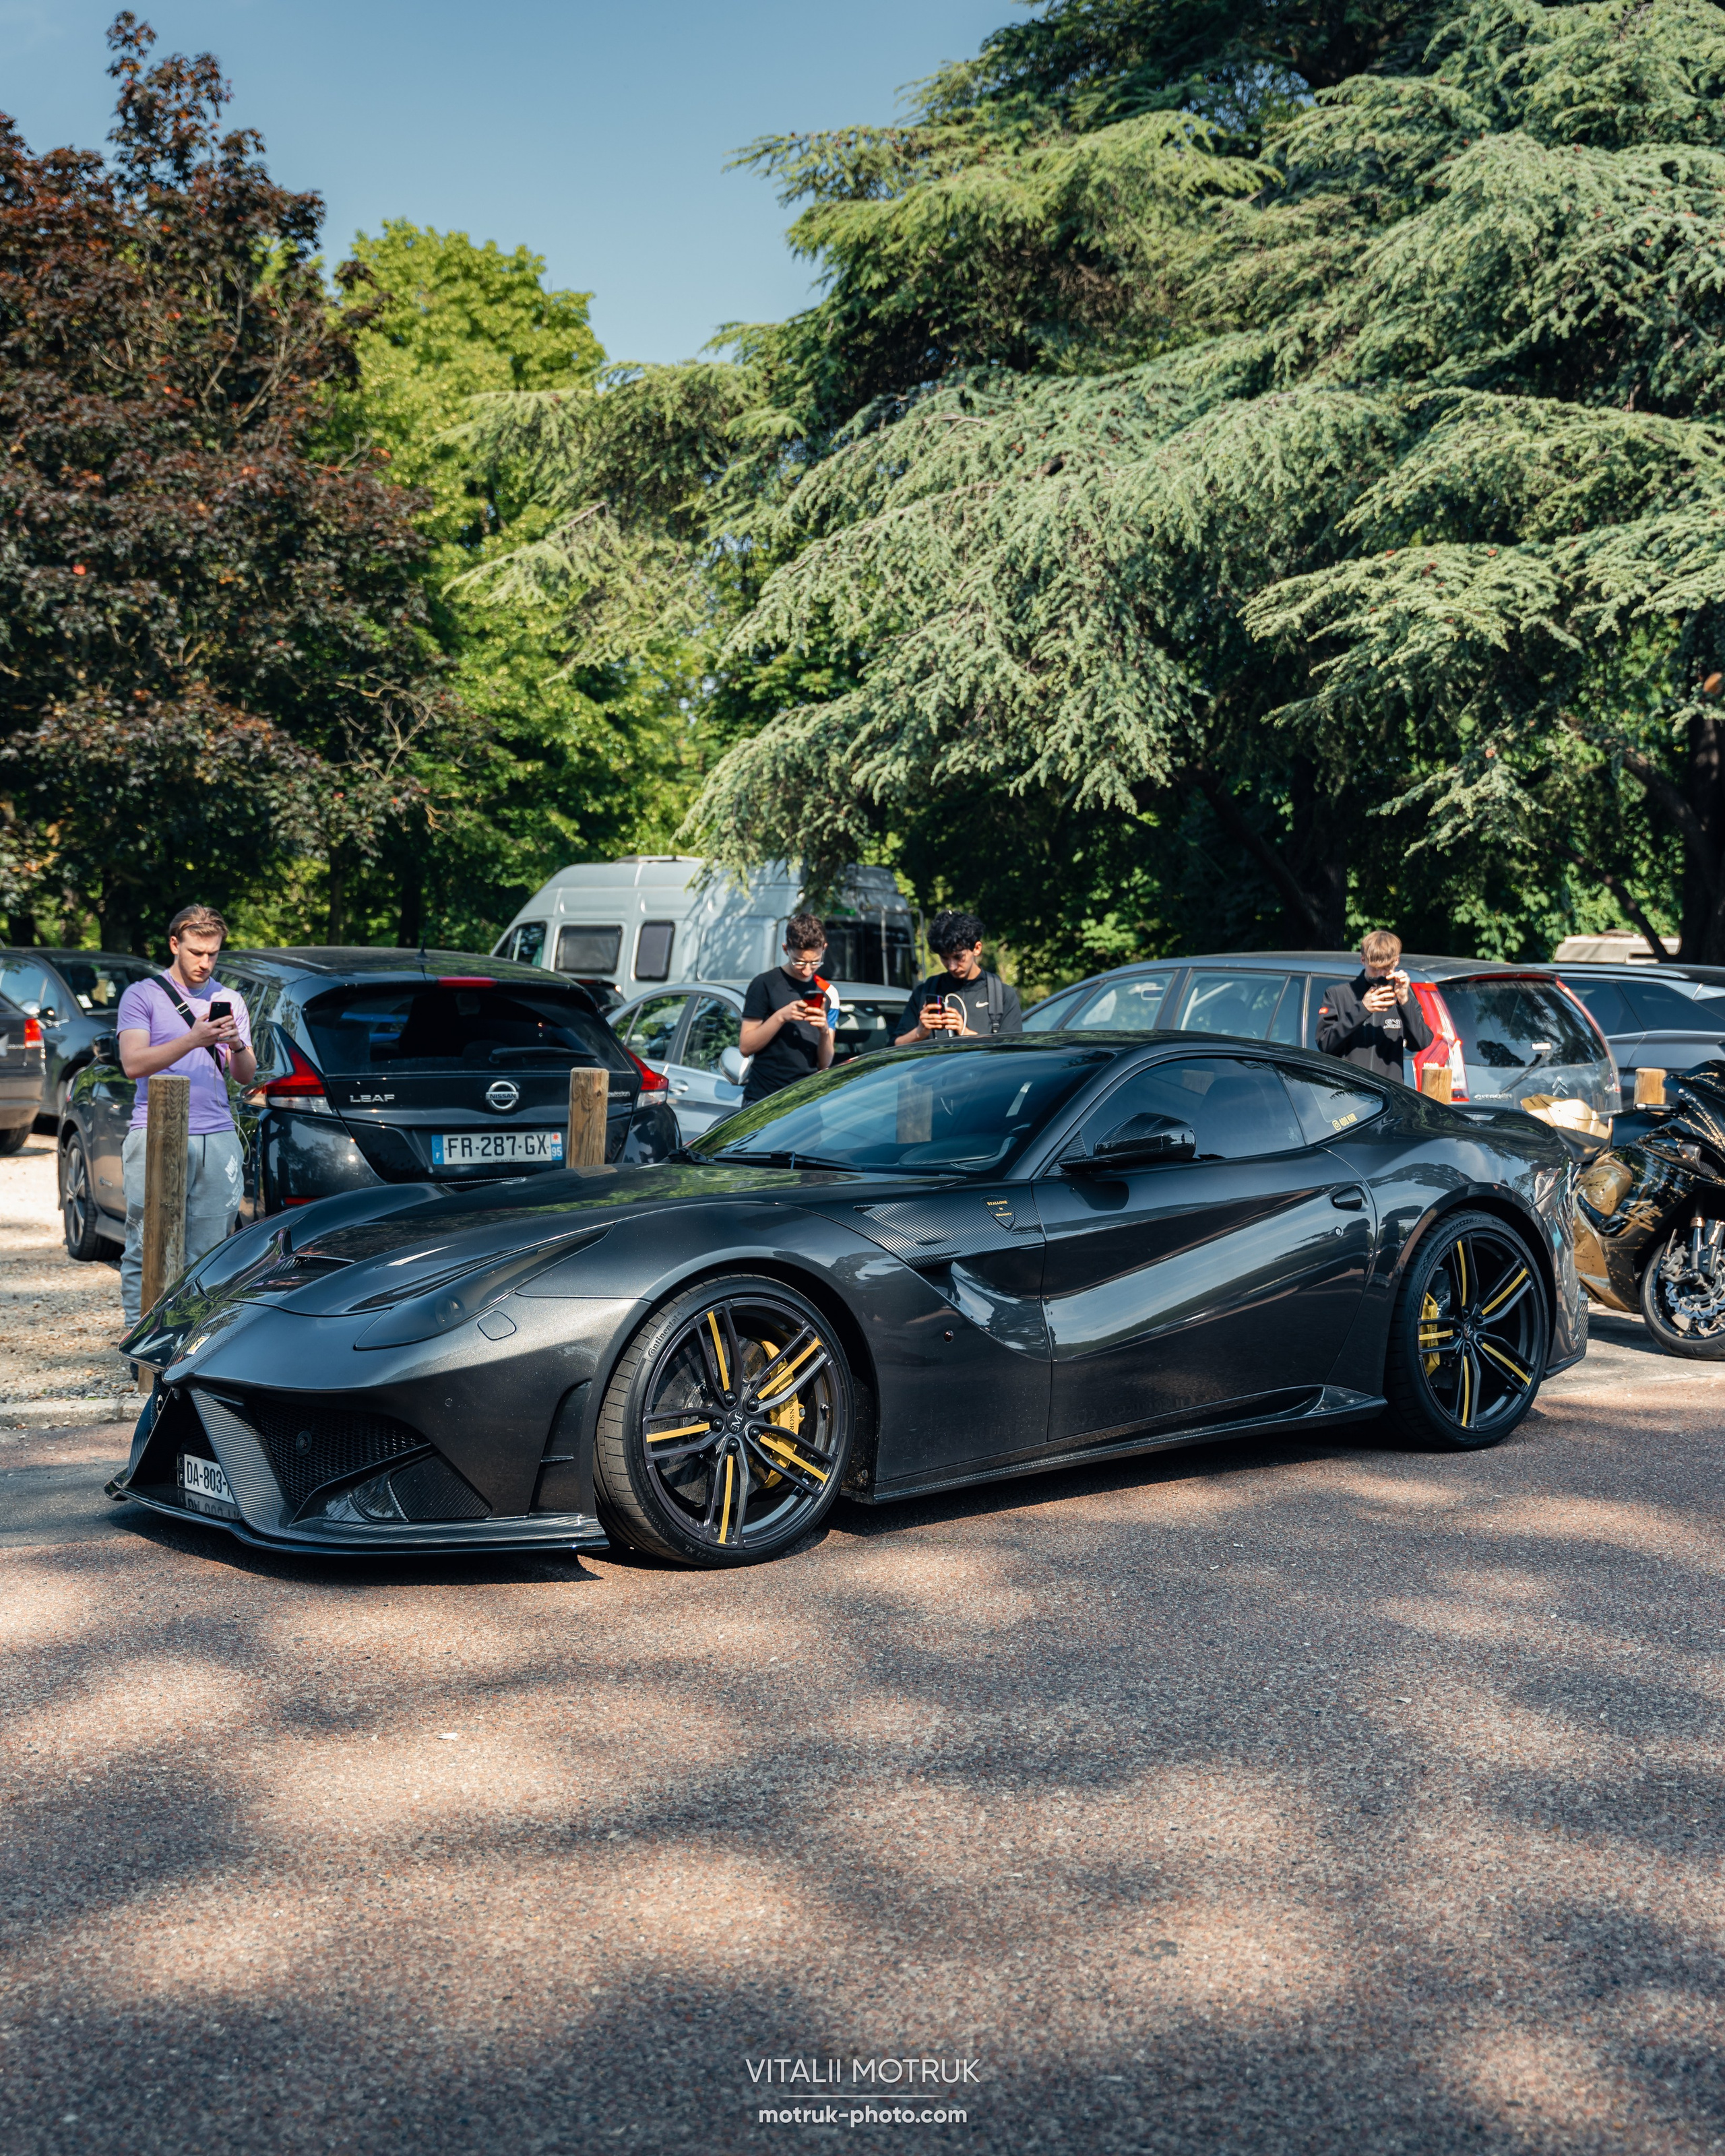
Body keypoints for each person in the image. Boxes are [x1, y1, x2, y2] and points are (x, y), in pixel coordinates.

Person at [115, 903, 256, 1325]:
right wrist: (195, 1038)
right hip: (156, 1130)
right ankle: (140, 1346)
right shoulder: (142, 995)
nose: (205, 962)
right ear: (175, 944)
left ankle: (192, 1345)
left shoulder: (229, 999)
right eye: (196, 952)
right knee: (148, 1244)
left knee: (212, 1248)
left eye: (213, 953)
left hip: (218, 1135)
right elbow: (134, 1064)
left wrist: (234, 1043)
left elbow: (245, 1076)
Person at [739, 913, 837, 1105]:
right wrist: (781, 1016)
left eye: (815, 962)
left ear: (824, 949)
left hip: (807, 1100)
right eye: (799, 962)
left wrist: (824, 1030)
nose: (807, 970)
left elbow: (824, 1064)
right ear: (786, 950)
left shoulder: (824, 994)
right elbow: (745, 1046)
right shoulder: (765, 984)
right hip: (765, 1100)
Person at [1317, 928, 1431, 1083]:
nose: (1380, 975)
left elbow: (1421, 1042)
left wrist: (1404, 1001)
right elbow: (1325, 1045)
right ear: (1363, 960)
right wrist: (1362, 1009)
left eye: (1386, 968)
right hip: (1347, 1094)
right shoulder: (1338, 994)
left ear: (1396, 961)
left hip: (1389, 1096)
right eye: (1374, 969)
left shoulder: (1403, 997)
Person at [896, 910, 1022, 1046]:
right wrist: (919, 1032)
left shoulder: (1002, 995)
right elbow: (893, 1047)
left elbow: (1012, 1051)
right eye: (944, 958)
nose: (952, 966)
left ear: (977, 948)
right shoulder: (925, 991)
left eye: (958, 957)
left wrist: (965, 1032)